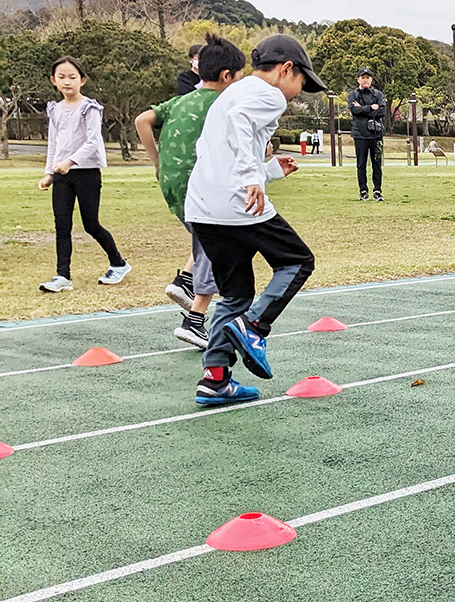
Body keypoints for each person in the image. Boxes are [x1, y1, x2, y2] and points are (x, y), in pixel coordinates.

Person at [185, 33, 326, 406]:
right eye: (300, 83)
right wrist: (251, 177)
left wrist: (267, 171)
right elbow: (240, 123)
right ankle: (254, 328)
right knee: (297, 261)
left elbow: (221, 146)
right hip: (237, 203)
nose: (298, 92)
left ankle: (215, 379)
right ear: (286, 70)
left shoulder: (232, 91)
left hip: (202, 206)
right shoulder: (268, 94)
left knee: (234, 294)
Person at [135, 33, 245, 349]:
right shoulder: (224, 104)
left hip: (171, 184)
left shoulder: (180, 100)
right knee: (217, 242)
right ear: (227, 76)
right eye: (239, 76)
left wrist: (157, 162)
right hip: (200, 187)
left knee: (206, 239)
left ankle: (184, 282)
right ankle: (195, 320)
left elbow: (142, 120)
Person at [37, 56, 131, 292]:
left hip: (86, 173)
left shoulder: (89, 108)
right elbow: (54, 144)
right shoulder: (55, 110)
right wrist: (50, 173)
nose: (67, 82)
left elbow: (93, 141)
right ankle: (62, 276)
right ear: (53, 81)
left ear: (83, 80)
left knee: (91, 224)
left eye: (72, 77)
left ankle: (118, 264)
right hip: (61, 175)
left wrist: (70, 161)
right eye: (61, 77)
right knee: (62, 225)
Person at [349, 67, 386, 199]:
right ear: (358, 79)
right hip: (359, 134)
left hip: (376, 134)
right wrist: (371, 107)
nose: (365, 80)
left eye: (368, 77)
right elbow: (354, 110)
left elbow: (382, 111)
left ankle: (377, 190)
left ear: (371, 79)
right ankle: (363, 191)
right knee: (361, 164)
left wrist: (362, 108)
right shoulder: (353, 95)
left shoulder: (378, 95)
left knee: (377, 164)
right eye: (363, 77)